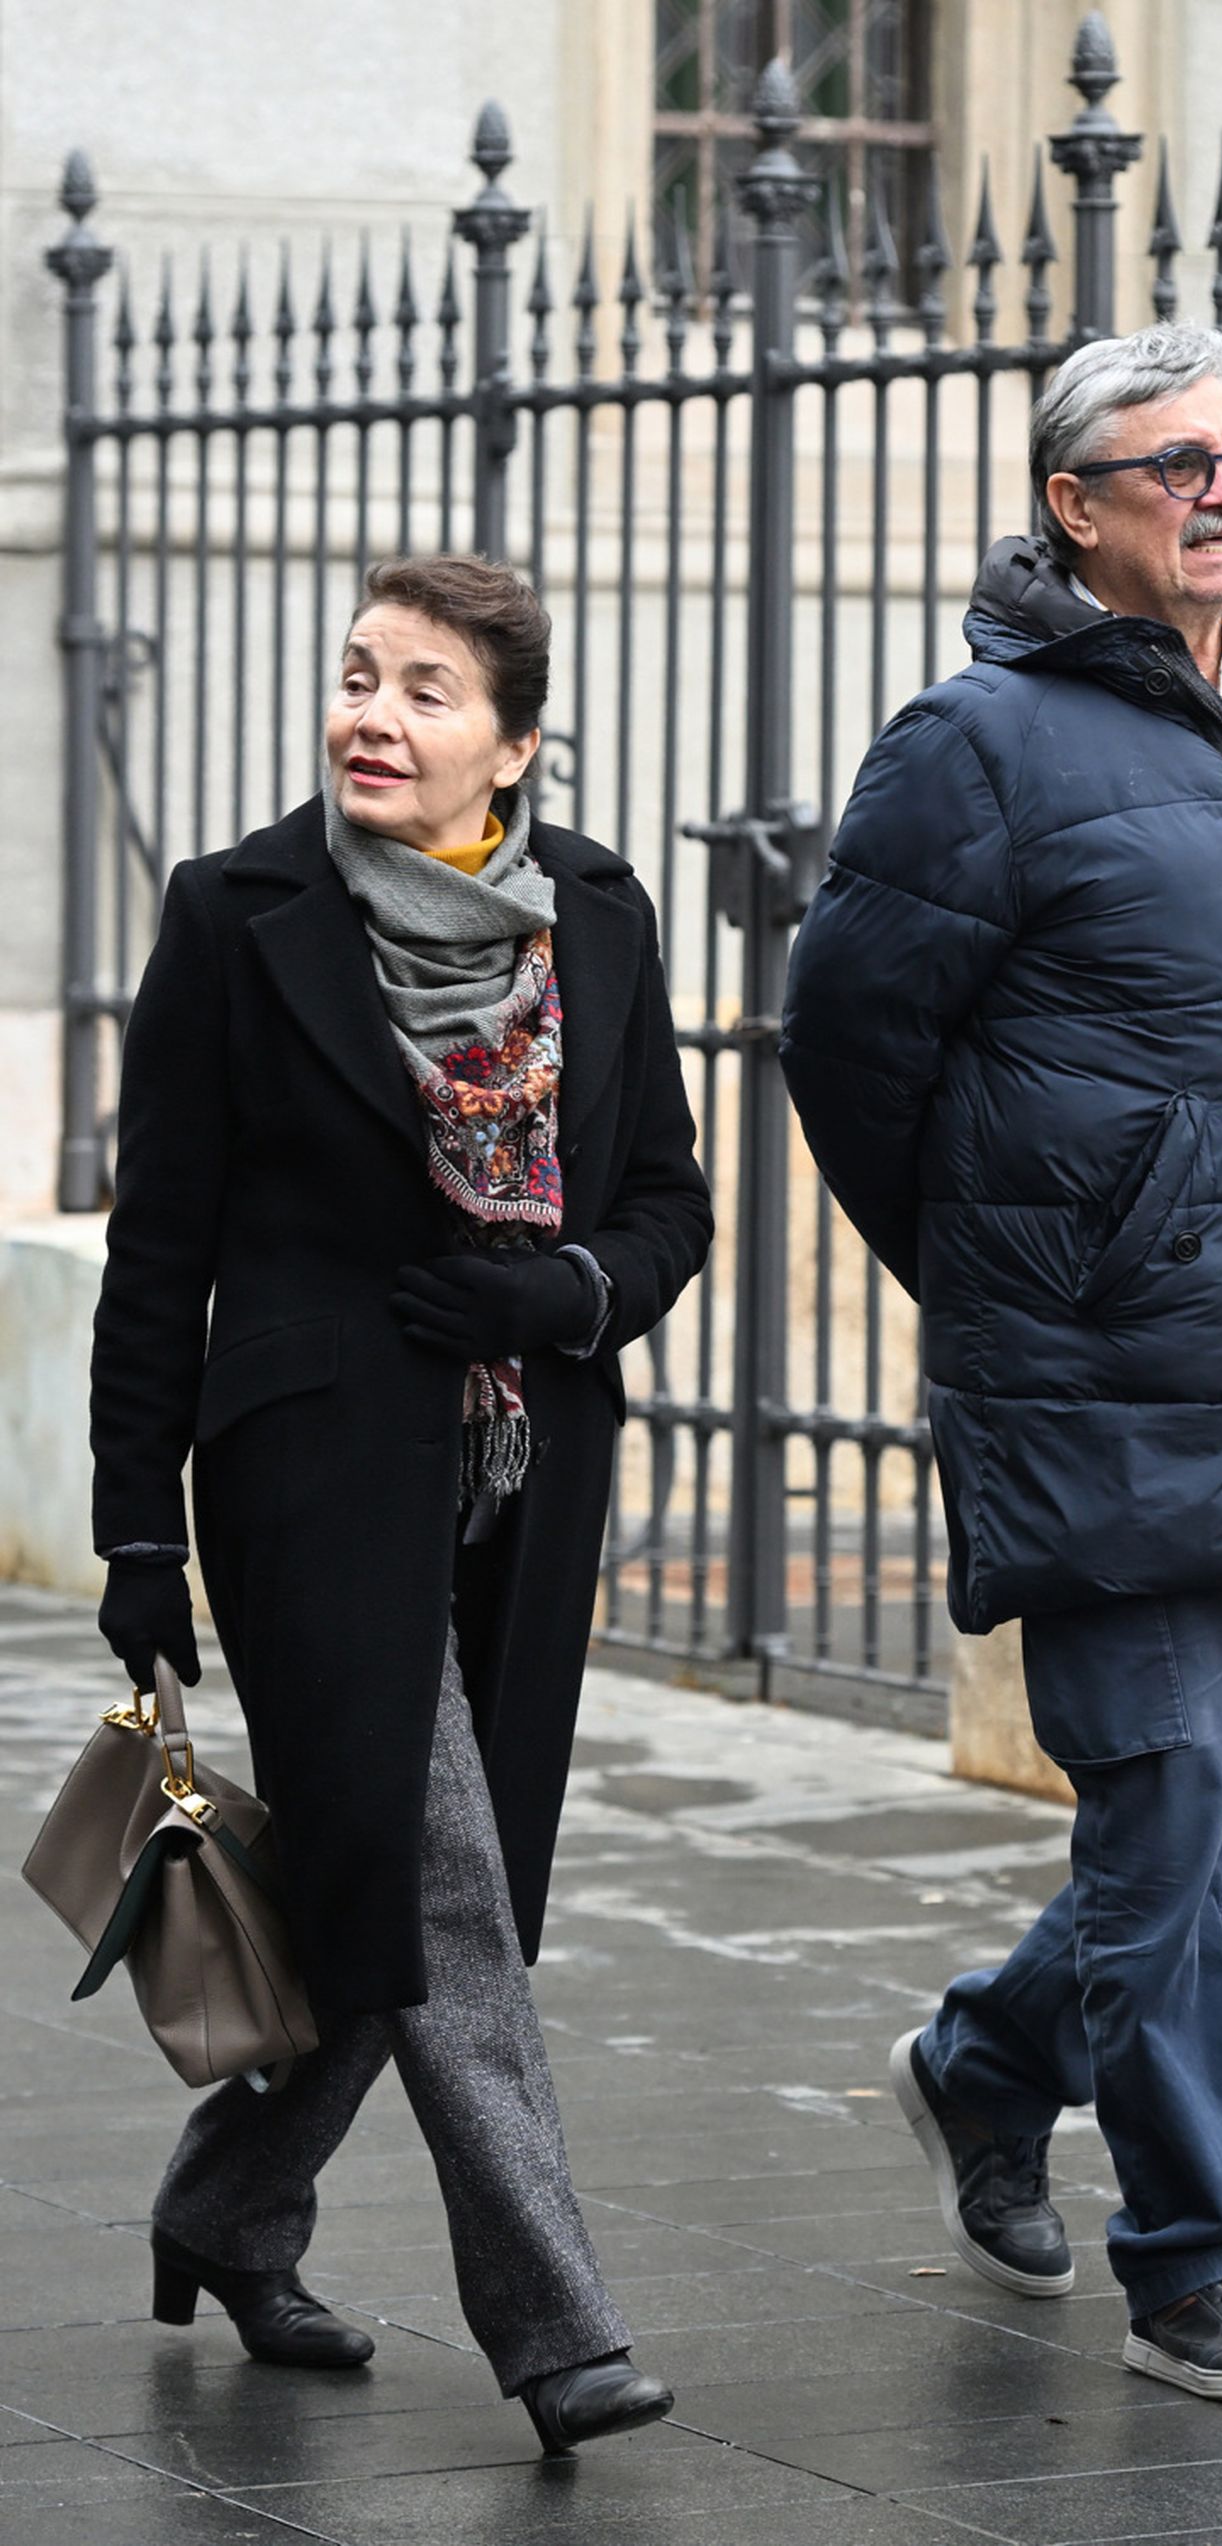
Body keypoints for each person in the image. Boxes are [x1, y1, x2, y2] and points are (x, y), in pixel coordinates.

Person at [781, 325, 1222, 2406]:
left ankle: (988, 2060)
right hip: (1091, 1375)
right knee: (1170, 1803)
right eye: (1173, 466)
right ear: (1073, 506)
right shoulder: (975, 745)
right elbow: (848, 1048)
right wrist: (1020, 1278)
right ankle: (1196, 2258)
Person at [91, 552, 712, 2453]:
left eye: (426, 689)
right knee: (438, 1882)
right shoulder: (236, 914)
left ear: (512, 744)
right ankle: (558, 2327)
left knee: (428, 1886)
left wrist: (567, 1291)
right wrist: (136, 1528)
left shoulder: (597, 913)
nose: (371, 713)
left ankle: (229, 2202)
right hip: (311, 1469)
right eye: (360, 674)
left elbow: (667, 1200)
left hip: (531, 1460)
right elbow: (160, 1249)